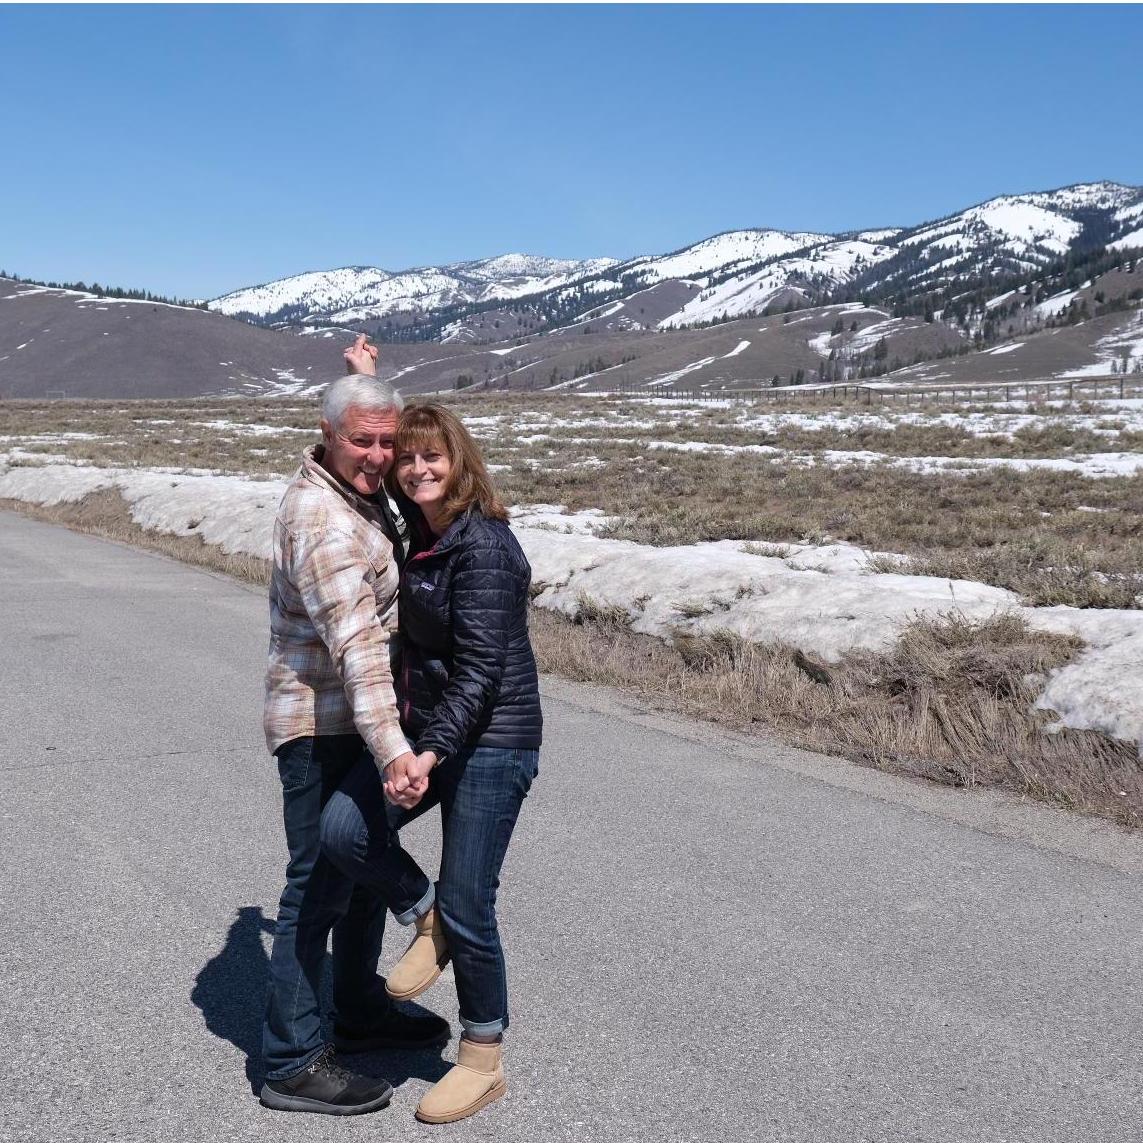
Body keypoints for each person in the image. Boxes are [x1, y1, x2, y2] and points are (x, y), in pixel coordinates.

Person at [319, 400, 543, 1125]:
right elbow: (353, 457)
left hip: (492, 741)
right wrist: (358, 383)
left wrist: (428, 751)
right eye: (407, 456)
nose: (416, 468)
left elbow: (480, 671)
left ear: (459, 460)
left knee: (471, 900)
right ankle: (425, 916)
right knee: (345, 829)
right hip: (428, 731)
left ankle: (482, 1059)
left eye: (431, 456)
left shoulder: (484, 547)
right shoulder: (419, 528)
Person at [259, 342, 449, 1116]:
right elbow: (358, 650)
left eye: (386, 442)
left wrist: (362, 373)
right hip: (323, 725)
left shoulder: (347, 482)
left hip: (360, 723)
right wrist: (394, 748)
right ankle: (291, 1059)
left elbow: (363, 423)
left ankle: (359, 1009)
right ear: (326, 434)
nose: (378, 456)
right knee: (316, 889)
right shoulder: (321, 522)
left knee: (360, 868)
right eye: (361, 440)